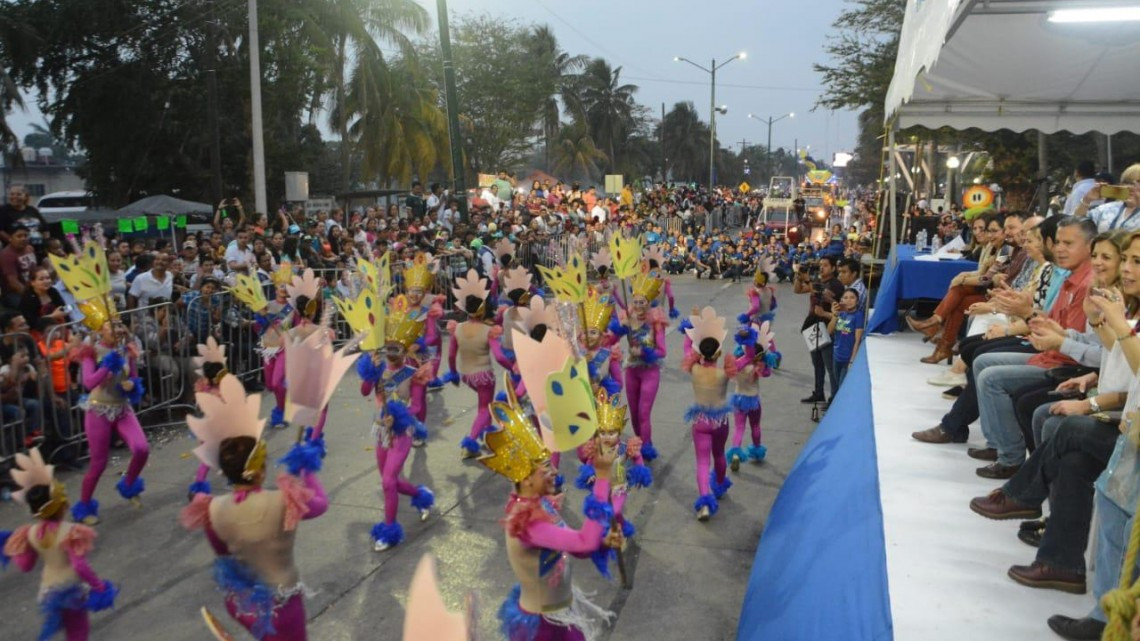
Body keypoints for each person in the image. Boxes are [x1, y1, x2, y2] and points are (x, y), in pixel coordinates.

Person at [180, 377, 329, 641]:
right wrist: (305, 467)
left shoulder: (210, 509)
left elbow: (224, 555)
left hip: (242, 605)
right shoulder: (283, 501)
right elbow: (321, 505)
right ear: (260, 470)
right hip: (281, 610)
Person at [480, 375, 618, 641]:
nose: (555, 470)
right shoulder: (527, 521)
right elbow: (582, 543)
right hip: (543, 629)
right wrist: (602, 477)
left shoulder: (540, 504)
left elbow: (573, 547)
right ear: (527, 477)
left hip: (555, 618)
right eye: (546, 468)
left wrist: (603, 542)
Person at [347, 293, 435, 552]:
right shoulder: (378, 368)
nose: (392, 351)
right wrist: (371, 372)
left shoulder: (413, 372)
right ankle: (420, 495)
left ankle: (389, 530)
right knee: (391, 482)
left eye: (397, 346)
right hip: (379, 431)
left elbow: (417, 406)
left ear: (405, 346)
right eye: (389, 346)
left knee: (387, 482)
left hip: (402, 431)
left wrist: (398, 415)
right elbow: (365, 392)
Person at [1, 449, 119, 641]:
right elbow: (79, 565)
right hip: (71, 589)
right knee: (78, 632)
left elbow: (25, 566)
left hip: (48, 592)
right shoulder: (71, 531)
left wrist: (20, 548)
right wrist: (98, 586)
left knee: (67, 630)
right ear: (62, 505)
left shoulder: (30, 533)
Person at [680, 306, 735, 521]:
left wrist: (691, 329)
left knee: (702, 462)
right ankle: (719, 484)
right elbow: (746, 361)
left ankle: (704, 501)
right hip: (720, 421)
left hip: (700, 421)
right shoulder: (723, 374)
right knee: (719, 454)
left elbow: (687, 348)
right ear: (719, 353)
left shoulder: (694, 369)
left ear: (699, 353)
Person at [610, 270, 667, 462]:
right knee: (633, 413)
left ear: (649, 302)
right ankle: (639, 443)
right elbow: (612, 338)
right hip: (632, 371)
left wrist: (643, 352)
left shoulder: (656, 323)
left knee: (643, 412)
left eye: (642, 302)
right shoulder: (629, 318)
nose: (639, 305)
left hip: (650, 371)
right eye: (636, 302)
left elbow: (662, 351)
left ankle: (647, 446)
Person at [445, 269, 500, 458]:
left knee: (482, 406)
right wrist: (513, 367)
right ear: (482, 309)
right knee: (486, 407)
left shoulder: (457, 328)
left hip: (466, 375)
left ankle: (487, 434)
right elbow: (500, 357)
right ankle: (470, 442)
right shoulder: (488, 330)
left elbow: (451, 356)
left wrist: (453, 373)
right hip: (484, 375)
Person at [794, 254, 845, 403]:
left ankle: (835, 398)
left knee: (829, 365)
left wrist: (808, 279)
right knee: (817, 363)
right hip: (813, 325)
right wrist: (799, 277)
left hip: (827, 326)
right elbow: (797, 290)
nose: (822, 267)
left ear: (834, 268)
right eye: (821, 264)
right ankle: (818, 392)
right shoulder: (817, 281)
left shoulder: (836, 284)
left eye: (826, 265)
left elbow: (821, 292)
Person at [725, 321, 774, 471]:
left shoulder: (738, 364)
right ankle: (757, 449)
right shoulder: (758, 367)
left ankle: (735, 452)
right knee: (755, 426)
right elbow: (767, 373)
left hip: (739, 397)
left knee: (739, 428)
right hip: (753, 400)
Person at [829, 288, 864, 388]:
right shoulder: (840, 313)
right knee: (836, 385)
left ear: (857, 301)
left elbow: (857, 340)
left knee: (842, 386)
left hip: (847, 359)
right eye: (846, 297)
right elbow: (829, 331)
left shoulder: (858, 316)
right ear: (841, 300)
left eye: (852, 298)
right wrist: (834, 316)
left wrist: (852, 361)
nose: (849, 300)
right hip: (836, 356)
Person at [1, 224, 38, 308]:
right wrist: (31, 296)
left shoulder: (30, 249)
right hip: (14, 293)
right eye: (19, 236)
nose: (23, 238)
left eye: (25, 235)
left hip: (33, 287)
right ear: (10, 238)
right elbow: (13, 283)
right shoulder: (6, 255)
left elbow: (35, 270)